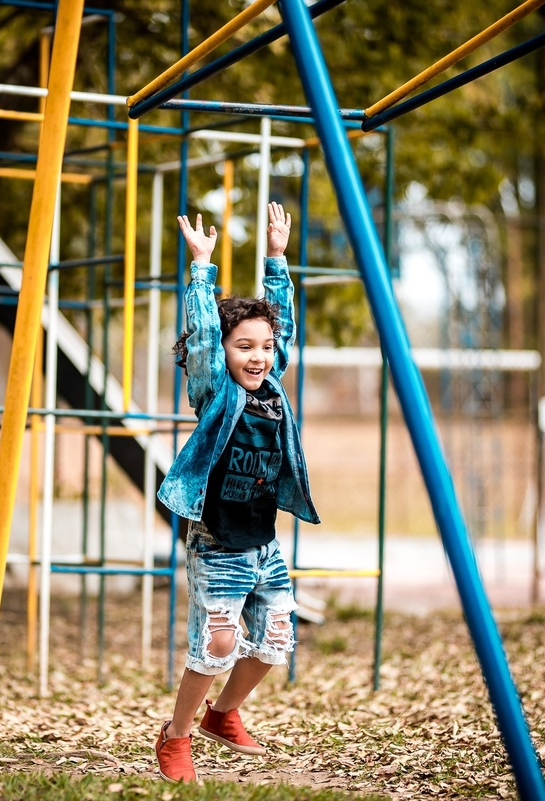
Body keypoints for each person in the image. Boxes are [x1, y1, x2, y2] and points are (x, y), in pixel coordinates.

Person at [154, 202, 320, 783]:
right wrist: (202, 268)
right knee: (219, 643)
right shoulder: (216, 391)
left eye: (264, 347)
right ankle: (175, 739)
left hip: (263, 543)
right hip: (218, 542)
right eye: (244, 346)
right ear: (225, 353)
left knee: (276, 640)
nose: (257, 356)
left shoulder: (273, 386)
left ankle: (222, 715)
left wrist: (277, 258)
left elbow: (286, 328)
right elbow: (201, 337)